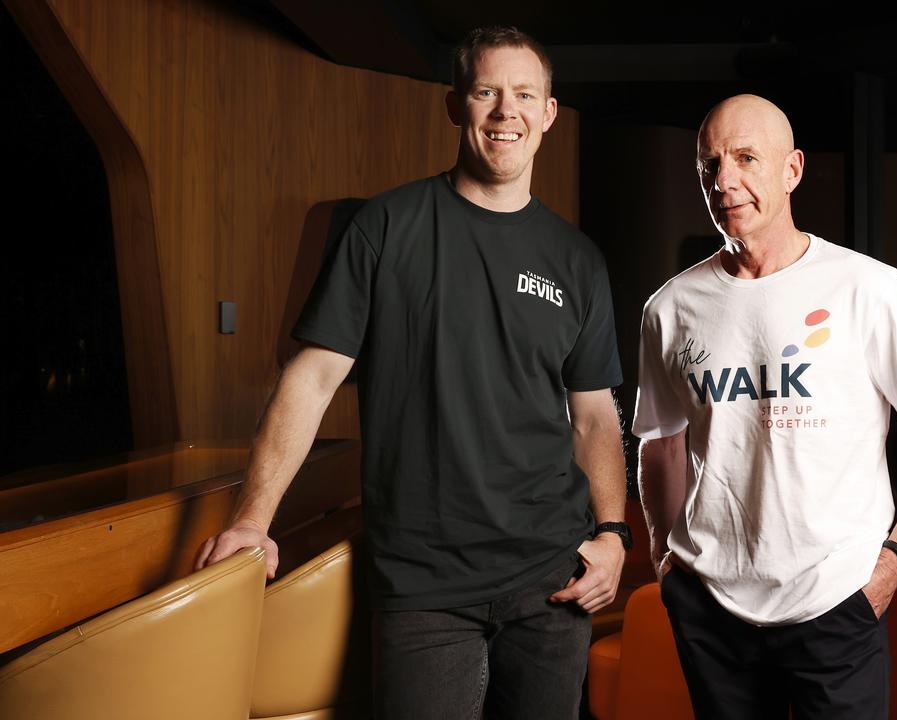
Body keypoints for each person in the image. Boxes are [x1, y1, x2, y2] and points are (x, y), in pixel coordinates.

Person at [195, 26, 631, 720]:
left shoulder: (576, 260)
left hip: (551, 576)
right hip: (423, 581)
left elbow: (595, 415)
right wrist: (252, 520)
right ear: (455, 106)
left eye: (525, 95)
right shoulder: (385, 228)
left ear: (548, 113)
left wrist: (613, 535)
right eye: (486, 92)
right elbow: (310, 380)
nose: (505, 112)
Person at [633, 94, 897, 719]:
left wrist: (893, 565)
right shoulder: (670, 308)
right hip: (711, 608)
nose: (725, 180)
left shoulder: (866, 287)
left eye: (746, 158)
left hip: (836, 601)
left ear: (792, 170)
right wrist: (664, 561)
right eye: (710, 164)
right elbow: (660, 441)